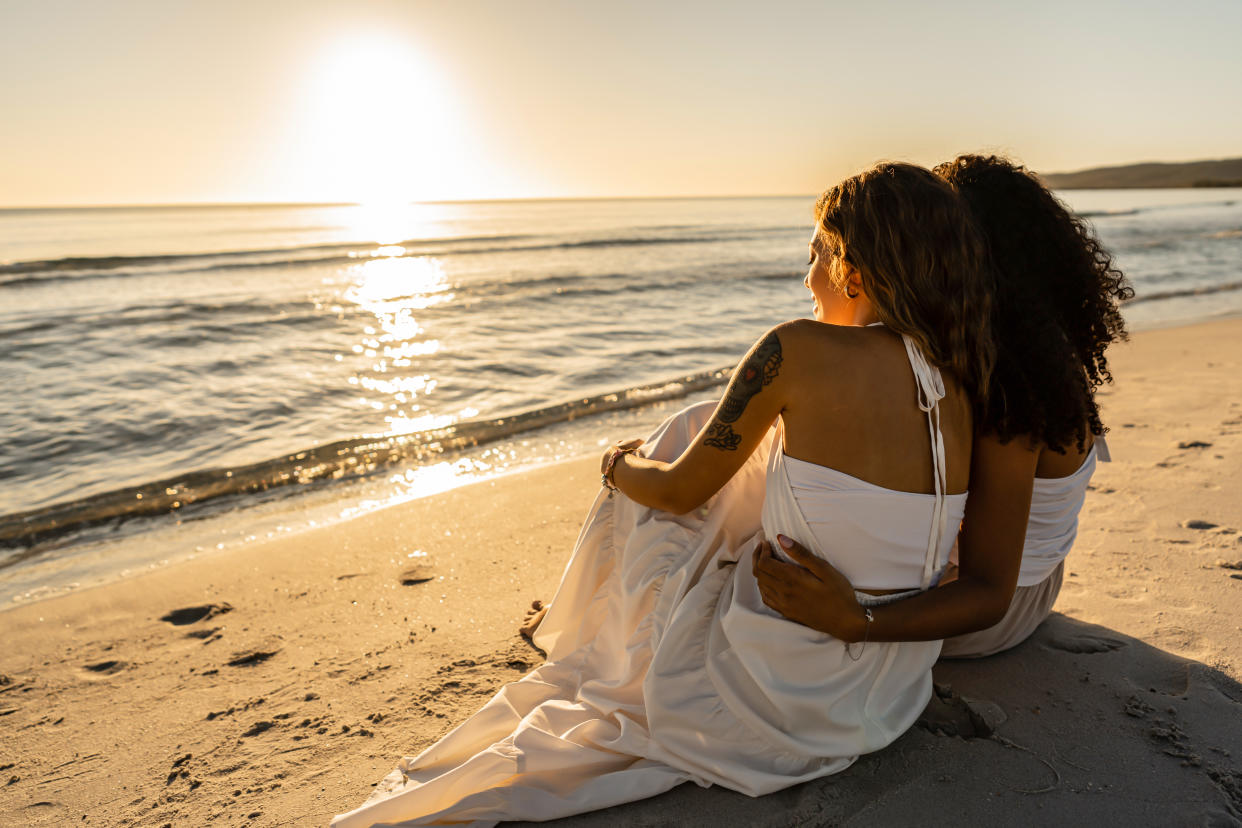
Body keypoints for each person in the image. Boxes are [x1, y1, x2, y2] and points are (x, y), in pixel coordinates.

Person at [332, 162, 995, 827]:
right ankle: (581, 627)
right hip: (883, 694)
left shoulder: (799, 350)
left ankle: (588, 633)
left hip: (784, 695)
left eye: (816, 253)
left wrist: (618, 468)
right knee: (713, 431)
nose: (807, 277)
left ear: (854, 271)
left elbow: (679, 493)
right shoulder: (963, 380)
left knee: (667, 459)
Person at [753, 155, 1132, 659]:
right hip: (1027, 579)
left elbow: (988, 592)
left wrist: (855, 620)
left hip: (993, 607)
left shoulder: (1009, 388)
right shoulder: (1025, 348)